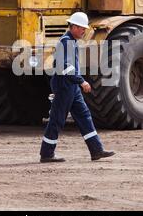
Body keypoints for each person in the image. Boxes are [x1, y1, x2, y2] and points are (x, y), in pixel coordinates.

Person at [40, 12, 115, 163]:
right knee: (57, 119)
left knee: (84, 116)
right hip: (64, 87)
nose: (84, 31)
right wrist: (81, 81)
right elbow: (65, 67)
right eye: (81, 28)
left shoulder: (71, 41)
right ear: (73, 27)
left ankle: (96, 150)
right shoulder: (67, 42)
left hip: (71, 87)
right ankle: (47, 154)